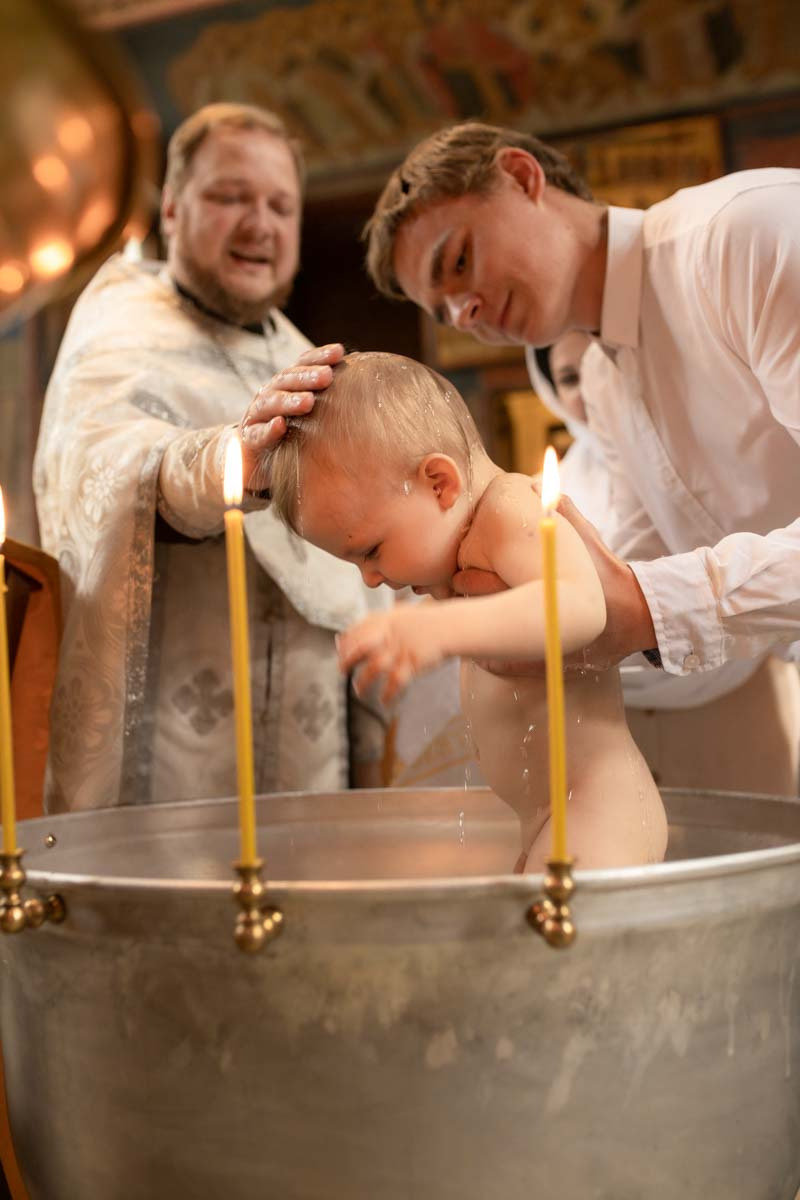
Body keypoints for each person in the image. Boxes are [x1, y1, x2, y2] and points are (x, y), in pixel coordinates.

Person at [352, 121, 800, 728]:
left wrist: (638, 606)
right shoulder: (604, 387)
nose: (465, 310)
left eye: (459, 260)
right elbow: (628, 603)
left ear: (521, 177)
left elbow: (646, 605)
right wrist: (489, 615)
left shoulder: (744, 238)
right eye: (445, 312)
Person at [33, 102, 389, 813]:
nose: (260, 224)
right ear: (171, 207)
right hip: (165, 768)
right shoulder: (119, 322)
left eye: (281, 207)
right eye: (231, 196)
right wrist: (230, 461)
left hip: (311, 757)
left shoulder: (304, 355)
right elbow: (103, 466)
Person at [266, 350, 668, 872]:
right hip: (551, 815)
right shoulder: (467, 547)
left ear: (440, 483)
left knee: (563, 925)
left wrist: (438, 628)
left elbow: (580, 605)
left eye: (371, 550)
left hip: (598, 804)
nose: (370, 578)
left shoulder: (509, 506)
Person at [528, 334, 800, 794]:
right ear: (549, 389)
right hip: (611, 716)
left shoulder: (702, 457)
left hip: (733, 696)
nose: (589, 390)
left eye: (597, 369)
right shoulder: (546, 493)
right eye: (570, 378)